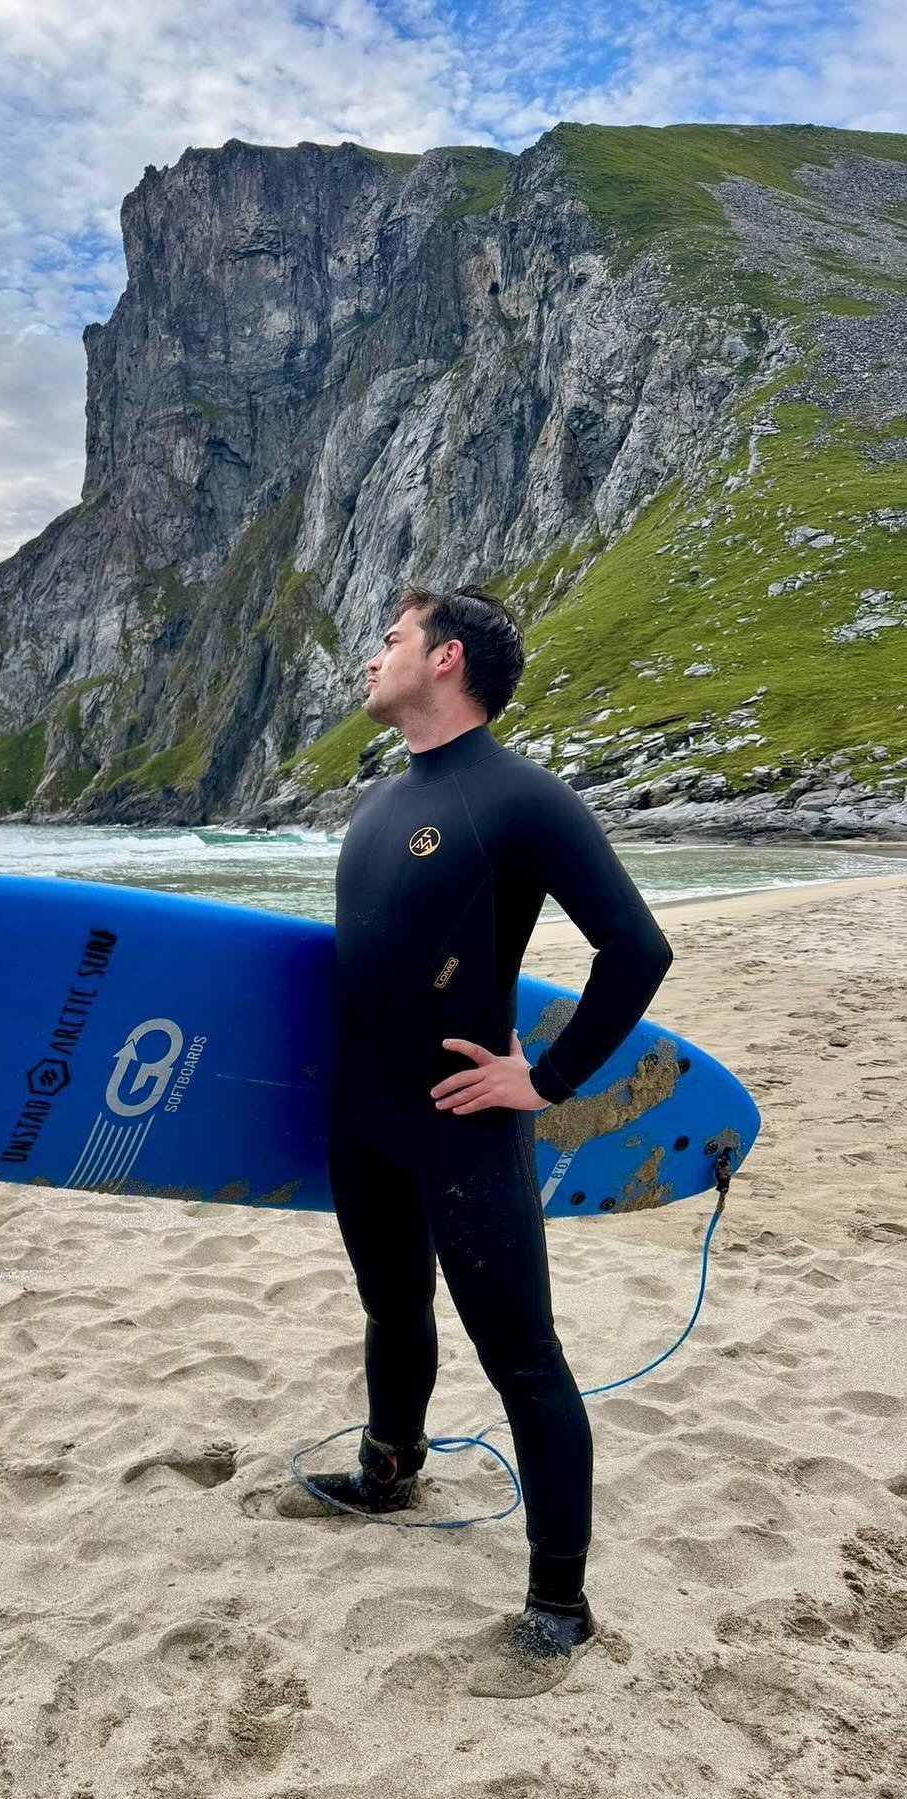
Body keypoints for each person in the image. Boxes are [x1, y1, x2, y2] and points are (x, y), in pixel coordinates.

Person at [282, 583, 674, 1699]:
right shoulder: (379, 801)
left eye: (390, 638)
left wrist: (543, 1079)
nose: (372, 658)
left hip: (463, 1127)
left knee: (524, 1360)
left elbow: (636, 950)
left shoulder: (521, 798)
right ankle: (390, 1470)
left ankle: (560, 1603)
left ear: (446, 658)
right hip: (365, 1118)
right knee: (391, 1307)